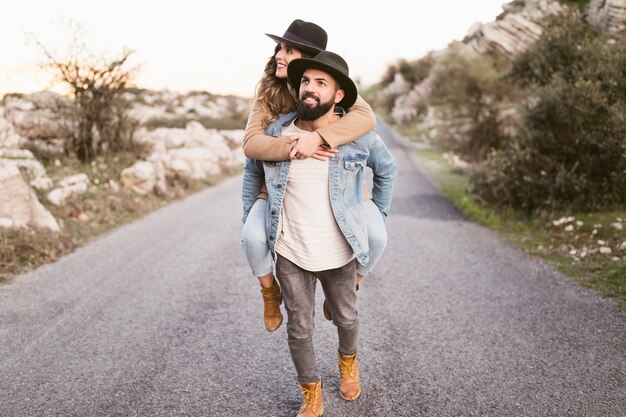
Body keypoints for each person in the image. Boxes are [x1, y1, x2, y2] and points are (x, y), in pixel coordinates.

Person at [242, 50, 397, 417]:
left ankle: (348, 363)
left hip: (340, 250)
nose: (309, 89)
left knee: (346, 318)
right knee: (299, 329)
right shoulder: (276, 132)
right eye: (305, 82)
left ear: (338, 95)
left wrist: (377, 216)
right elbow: (252, 174)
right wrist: (251, 218)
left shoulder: (358, 136)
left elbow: (387, 172)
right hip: (292, 251)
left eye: (320, 83)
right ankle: (311, 392)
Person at [240, 19, 388, 333]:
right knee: (252, 237)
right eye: (280, 47)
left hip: (336, 188)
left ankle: (351, 286)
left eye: (289, 50)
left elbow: (365, 117)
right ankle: (269, 291)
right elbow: (251, 144)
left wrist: (319, 138)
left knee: (376, 237)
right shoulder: (267, 95)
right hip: (279, 191)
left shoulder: (323, 84)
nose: (280, 54)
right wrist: (294, 145)